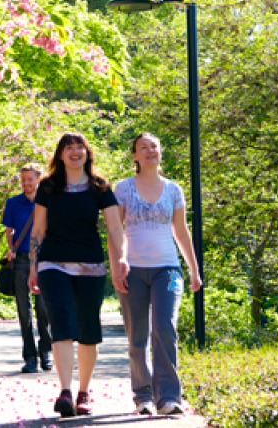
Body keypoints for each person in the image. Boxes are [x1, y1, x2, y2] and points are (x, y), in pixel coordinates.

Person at [28, 132, 129, 417]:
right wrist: (33, 265)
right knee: (61, 323)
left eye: (79, 148)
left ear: (87, 153)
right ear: (60, 155)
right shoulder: (48, 187)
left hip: (90, 265)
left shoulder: (99, 187)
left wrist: (121, 258)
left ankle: (84, 392)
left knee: (88, 330)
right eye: (68, 148)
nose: (75, 153)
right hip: (53, 263)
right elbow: (38, 230)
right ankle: (65, 392)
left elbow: (114, 228)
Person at [110, 133, 203, 415]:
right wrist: (118, 266)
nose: (150, 151)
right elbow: (115, 232)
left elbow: (181, 232)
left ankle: (169, 398)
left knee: (164, 328)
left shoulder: (173, 190)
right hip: (133, 270)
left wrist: (194, 270)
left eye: (154, 147)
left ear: (160, 152)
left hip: (168, 268)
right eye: (143, 148)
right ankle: (143, 398)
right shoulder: (123, 188)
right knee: (137, 335)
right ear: (134, 155)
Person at [1, 163, 52, 373]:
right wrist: (11, 248)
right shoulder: (13, 203)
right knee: (24, 310)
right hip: (21, 260)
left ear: (39, 179)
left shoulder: (49, 201)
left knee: (43, 308)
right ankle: (29, 357)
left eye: (30, 179)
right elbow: (9, 230)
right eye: (23, 180)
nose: (26, 184)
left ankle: (46, 353)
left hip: (45, 259)